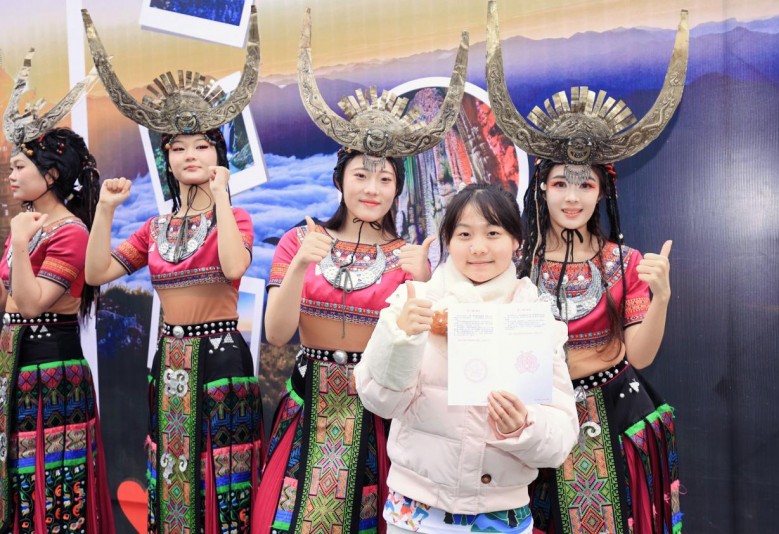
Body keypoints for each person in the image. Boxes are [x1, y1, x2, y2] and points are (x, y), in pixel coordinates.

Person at [251, 10, 470, 534]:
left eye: (385, 178)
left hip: (380, 412)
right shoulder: (300, 240)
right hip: (308, 402)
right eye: (361, 175)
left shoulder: (409, 255)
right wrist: (301, 265)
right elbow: (277, 335)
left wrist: (422, 282)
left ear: (397, 189)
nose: (372, 188)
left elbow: (434, 353)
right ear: (340, 179)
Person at [485, 3, 687, 532]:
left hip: (614, 415)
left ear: (602, 193)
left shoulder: (625, 261)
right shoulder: (516, 264)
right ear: (542, 189)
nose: (572, 197)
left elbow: (640, 354)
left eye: (585, 184)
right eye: (560, 183)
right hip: (536, 422)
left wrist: (662, 297)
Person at [82, 7, 264, 532]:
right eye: (178, 148)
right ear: (167, 159)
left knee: (224, 476)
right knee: (173, 474)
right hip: (171, 364)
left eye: (202, 146)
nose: (190, 155)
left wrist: (223, 195)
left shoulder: (237, 218)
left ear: (217, 154)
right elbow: (96, 273)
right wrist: (105, 210)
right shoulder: (155, 228)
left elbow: (233, 266)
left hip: (223, 357)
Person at [354, 184, 579, 534]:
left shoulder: (532, 318)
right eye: (464, 234)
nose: (478, 248)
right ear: (448, 240)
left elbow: (560, 439)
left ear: (516, 241)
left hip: (501, 514)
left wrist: (523, 425)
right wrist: (401, 339)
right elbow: (379, 401)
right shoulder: (414, 302)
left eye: (493, 233)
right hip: (415, 511)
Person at [0, 48, 114, 533]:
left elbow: (30, 305)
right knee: (17, 488)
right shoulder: (28, 226)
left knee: (53, 492)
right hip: (14, 369)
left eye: (19, 167)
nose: (11, 176)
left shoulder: (69, 232)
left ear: (50, 176)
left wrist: (18, 243)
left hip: (52, 378)